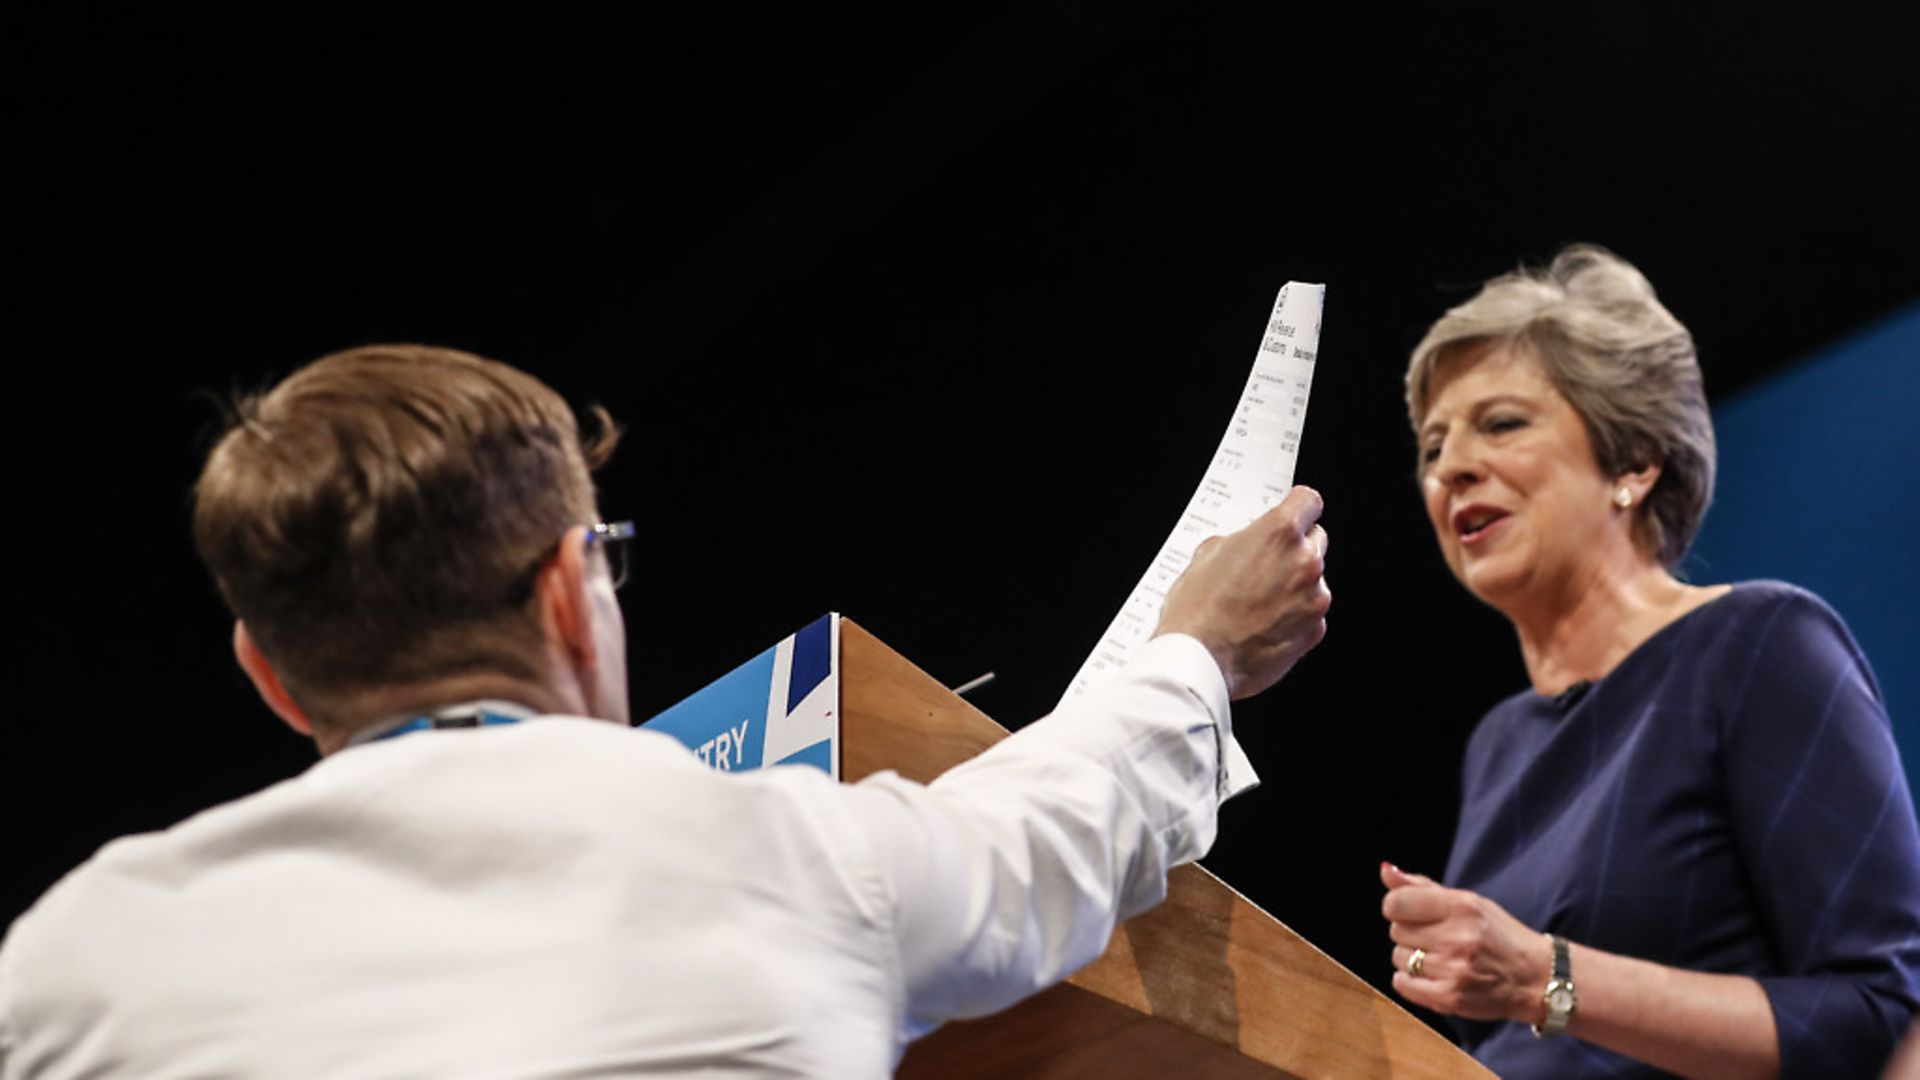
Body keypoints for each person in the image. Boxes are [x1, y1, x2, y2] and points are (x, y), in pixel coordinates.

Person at [0, 344, 1331, 1077]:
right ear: (574, 598)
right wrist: (1198, 650)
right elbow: (1059, 827)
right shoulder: (780, 862)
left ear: (269, 676)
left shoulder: (67, 966)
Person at [1378, 245, 1920, 1078]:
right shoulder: (1499, 744)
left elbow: (1881, 1012)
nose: (1451, 467)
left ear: (1632, 460)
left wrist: (1545, 976)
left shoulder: (1757, 644)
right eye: (1431, 447)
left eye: (1501, 423)